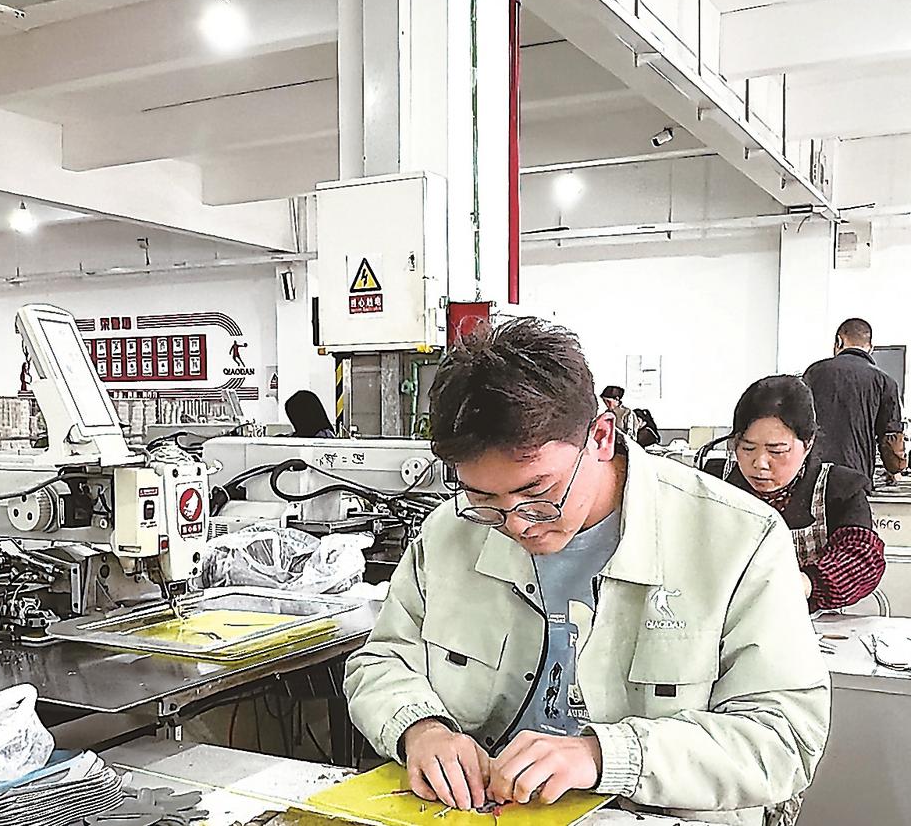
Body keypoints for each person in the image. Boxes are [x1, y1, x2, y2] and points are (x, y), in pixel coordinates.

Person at [345, 318, 829, 826]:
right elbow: (381, 660)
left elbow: (784, 739)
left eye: (537, 492)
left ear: (600, 436)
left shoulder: (739, 539)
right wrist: (422, 728)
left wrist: (604, 756)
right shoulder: (451, 532)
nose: (516, 524)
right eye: (483, 498)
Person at [724, 375, 885, 612]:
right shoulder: (716, 484)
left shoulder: (837, 488)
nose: (760, 463)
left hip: (812, 624)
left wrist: (806, 583)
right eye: (747, 448)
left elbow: (861, 559)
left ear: (807, 444)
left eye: (777, 451)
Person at [803, 318, 906, 483]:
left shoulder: (813, 372)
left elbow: (798, 423)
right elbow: (891, 437)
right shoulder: (885, 381)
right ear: (870, 348)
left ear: (839, 341)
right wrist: (895, 468)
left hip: (814, 474)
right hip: (856, 477)